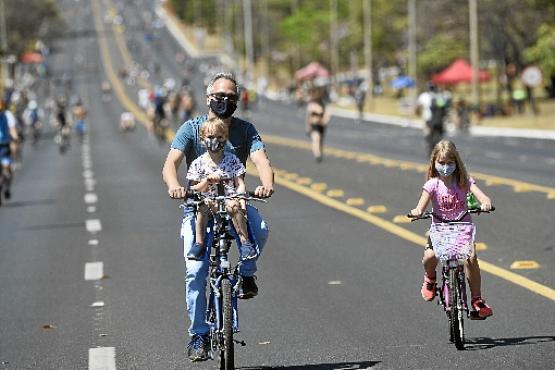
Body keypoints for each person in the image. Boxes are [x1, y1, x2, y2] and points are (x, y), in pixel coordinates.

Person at [162, 72, 274, 362]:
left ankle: (247, 275)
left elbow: (261, 161)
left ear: (237, 101)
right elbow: (170, 164)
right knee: (195, 271)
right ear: (208, 97)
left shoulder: (246, 130)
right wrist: (175, 186)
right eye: (219, 96)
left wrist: (266, 184)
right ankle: (198, 335)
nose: (224, 101)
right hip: (200, 205)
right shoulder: (192, 128)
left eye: (231, 97)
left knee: (260, 230)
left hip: (232, 202)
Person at [410, 140, 493, 319]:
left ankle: (477, 300)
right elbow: (421, 206)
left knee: (471, 258)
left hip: (462, 228)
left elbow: (482, 196)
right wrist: (417, 211)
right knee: (430, 257)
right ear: (434, 163)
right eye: (441, 163)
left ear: (456, 163)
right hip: (439, 229)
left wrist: (485, 203)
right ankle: (430, 279)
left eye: (449, 163)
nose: (445, 167)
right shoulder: (432, 184)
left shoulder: (464, 182)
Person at [186, 117, 257, 262]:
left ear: (225, 138)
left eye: (219, 137)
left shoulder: (232, 160)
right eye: (210, 137)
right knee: (202, 209)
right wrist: (206, 181)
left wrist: (240, 196)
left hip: (228, 199)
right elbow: (194, 187)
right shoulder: (198, 164)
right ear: (203, 139)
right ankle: (199, 243)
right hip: (210, 200)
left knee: (235, 207)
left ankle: (245, 243)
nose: (215, 140)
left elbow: (240, 183)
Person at [416, 82, 448, 156]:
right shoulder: (440, 96)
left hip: (428, 118)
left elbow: (418, 106)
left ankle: (430, 147)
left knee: (428, 134)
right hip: (439, 119)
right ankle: (437, 149)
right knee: (439, 135)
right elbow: (445, 109)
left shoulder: (424, 96)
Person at [0, 99, 19, 206]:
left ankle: (7, 187)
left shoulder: (7, 115)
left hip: (4, 145)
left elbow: (12, 128)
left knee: (7, 168)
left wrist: (15, 138)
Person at [305, 88, 330, 162]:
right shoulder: (311, 105)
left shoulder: (323, 105)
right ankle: (317, 154)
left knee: (320, 140)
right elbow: (308, 117)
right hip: (314, 125)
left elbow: (326, 115)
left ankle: (319, 152)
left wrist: (325, 120)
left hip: (321, 126)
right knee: (316, 139)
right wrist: (308, 127)